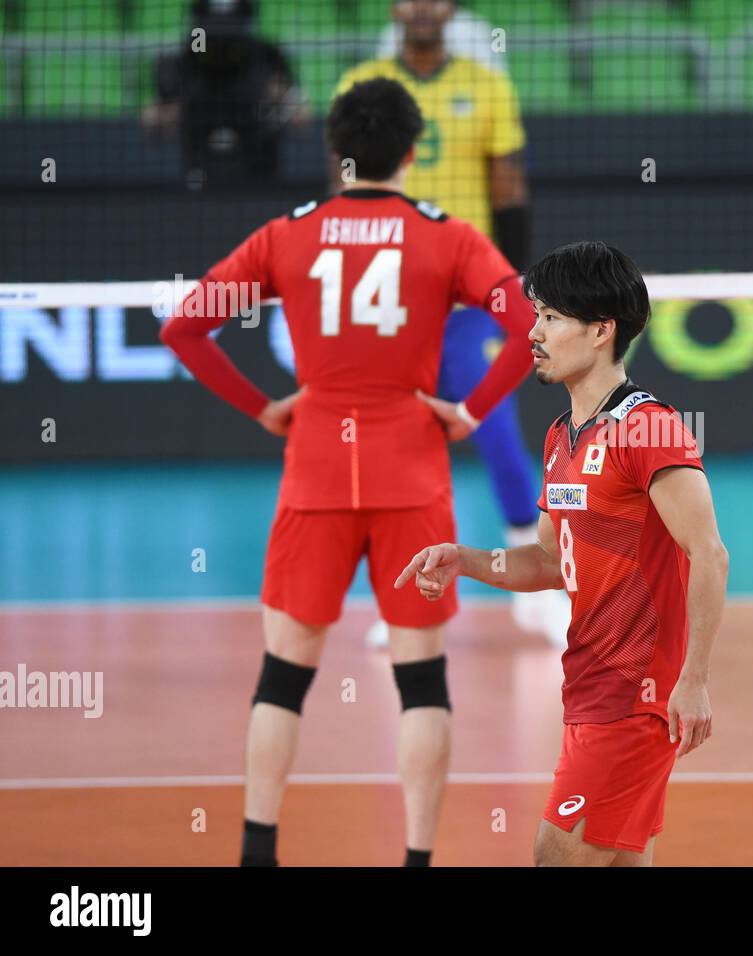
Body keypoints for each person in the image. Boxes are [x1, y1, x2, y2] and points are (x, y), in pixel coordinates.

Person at [159, 78, 536, 866]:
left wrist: (263, 406)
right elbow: (528, 323)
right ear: (410, 152)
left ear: (336, 155)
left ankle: (258, 851)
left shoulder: (285, 235)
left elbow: (184, 328)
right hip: (412, 476)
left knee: (282, 680)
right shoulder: (449, 237)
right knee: (421, 685)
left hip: (318, 473)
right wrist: (466, 411)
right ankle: (417, 859)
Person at [396, 241, 729, 866]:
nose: (534, 332)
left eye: (551, 317)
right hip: (588, 687)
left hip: (634, 694)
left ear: (601, 330)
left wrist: (695, 680)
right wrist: (463, 559)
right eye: (536, 314)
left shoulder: (648, 429)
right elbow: (549, 562)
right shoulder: (560, 437)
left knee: (556, 857)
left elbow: (709, 554)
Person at [335, 0, 569, 647]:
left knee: (491, 427)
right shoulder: (360, 86)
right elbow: (344, 190)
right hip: (390, 301)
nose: (421, 8)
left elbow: (509, 186)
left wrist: (516, 280)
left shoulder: (487, 85)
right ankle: (400, 592)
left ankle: (537, 586)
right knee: (393, 441)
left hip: (468, 295)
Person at [142, 0, 310, 184]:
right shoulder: (184, 61)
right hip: (199, 174)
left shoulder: (265, 56)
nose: (222, 43)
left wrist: (280, 104)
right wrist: (174, 112)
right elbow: (151, 120)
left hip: (258, 173)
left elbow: (301, 117)